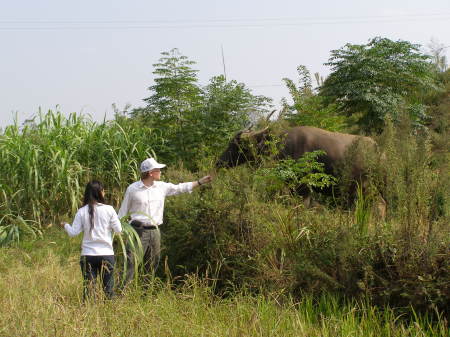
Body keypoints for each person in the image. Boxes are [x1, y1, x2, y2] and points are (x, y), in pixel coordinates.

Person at [118, 157, 212, 286]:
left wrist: (200, 182)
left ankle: (146, 292)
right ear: (150, 173)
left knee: (152, 263)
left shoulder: (161, 187)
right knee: (131, 262)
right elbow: (122, 212)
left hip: (155, 231)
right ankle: (121, 292)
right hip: (137, 231)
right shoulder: (133, 189)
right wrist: (119, 231)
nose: (161, 172)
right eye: (158, 170)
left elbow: (180, 188)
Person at [61, 180, 122, 300]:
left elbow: (73, 233)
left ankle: (88, 313)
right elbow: (119, 230)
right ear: (100, 192)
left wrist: (65, 225)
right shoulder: (109, 209)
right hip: (106, 254)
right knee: (108, 290)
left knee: (89, 291)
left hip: (88, 255)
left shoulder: (81, 211)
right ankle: (109, 313)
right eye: (103, 190)